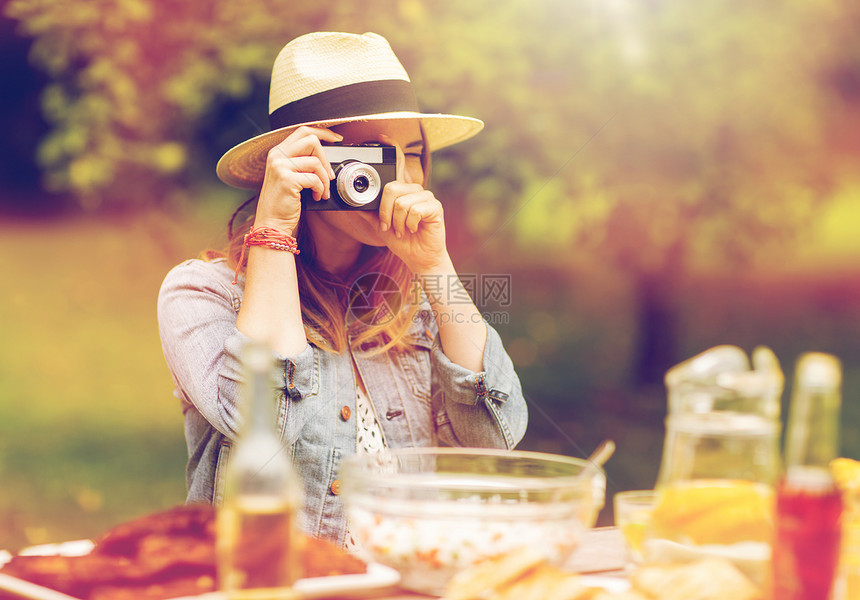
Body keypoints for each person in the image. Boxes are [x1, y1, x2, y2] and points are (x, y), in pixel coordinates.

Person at [157, 31, 528, 546]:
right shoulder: (203, 294)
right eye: (372, 154)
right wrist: (275, 225)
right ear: (306, 159)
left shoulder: (414, 300)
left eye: (413, 153)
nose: (399, 175)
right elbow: (266, 419)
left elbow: (495, 437)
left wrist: (435, 265)